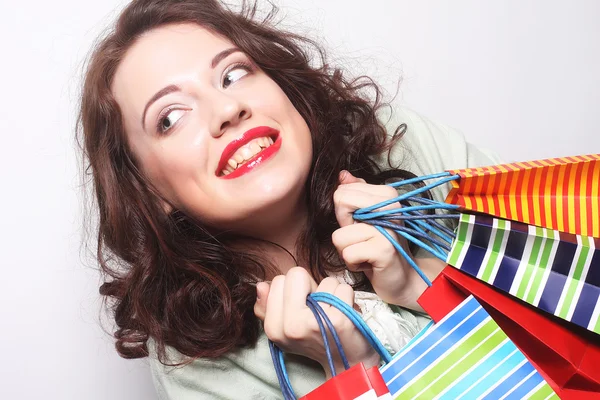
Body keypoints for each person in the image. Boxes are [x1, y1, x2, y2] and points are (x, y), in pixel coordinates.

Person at [77, 0, 501, 398]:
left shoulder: (398, 144)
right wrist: (356, 367)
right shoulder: (193, 364)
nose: (227, 108)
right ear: (148, 191)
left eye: (233, 74)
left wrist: (422, 283)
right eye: (170, 118)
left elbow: (564, 294)